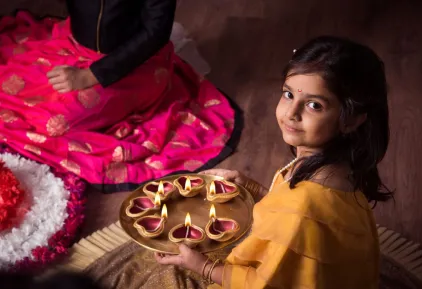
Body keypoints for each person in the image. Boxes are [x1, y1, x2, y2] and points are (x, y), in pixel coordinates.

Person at [155, 36, 392, 288]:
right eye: (288, 94)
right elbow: (296, 225)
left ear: (352, 120)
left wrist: (200, 265)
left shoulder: (307, 203)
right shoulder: (338, 165)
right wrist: (252, 188)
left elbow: (264, 283)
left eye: (314, 105)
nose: (291, 113)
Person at [0, 0, 237, 192]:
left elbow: (155, 33)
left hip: (135, 65)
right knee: (13, 88)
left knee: (56, 123)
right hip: (74, 45)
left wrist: (91, 75)